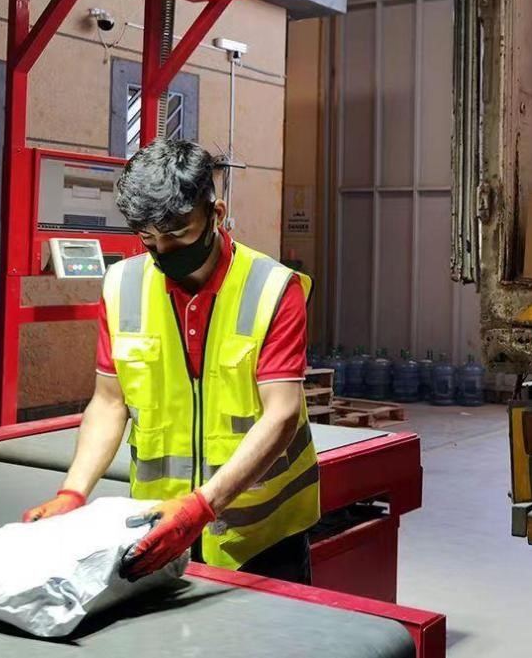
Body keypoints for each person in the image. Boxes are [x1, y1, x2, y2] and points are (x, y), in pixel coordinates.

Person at [22, 139, 319, 583]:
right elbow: (109, 402)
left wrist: (202, 506)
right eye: (148, 237)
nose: (162, 250)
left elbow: (282, 414)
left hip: (260, 534)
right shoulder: (122, 285)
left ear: (216, 214)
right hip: (156, 524)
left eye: (177, 234)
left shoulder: (272, 288)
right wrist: (73, 493)